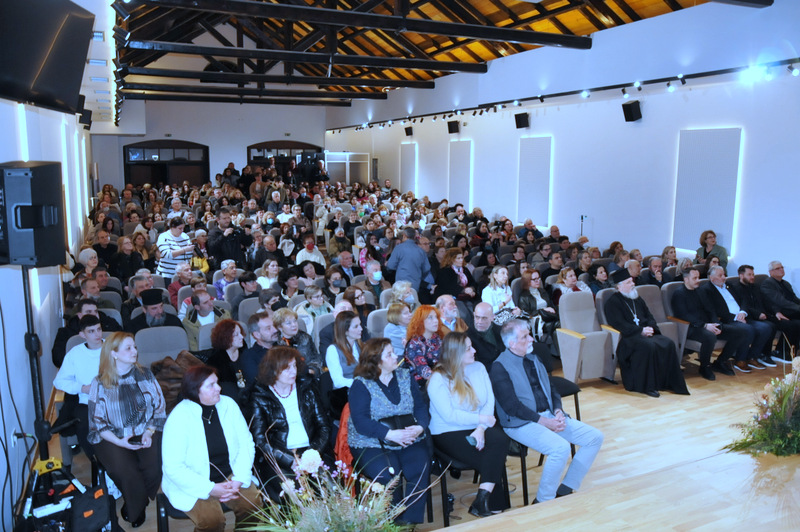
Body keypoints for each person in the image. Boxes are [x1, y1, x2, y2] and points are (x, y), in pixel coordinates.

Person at [490, 320, 603, 504]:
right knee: (560, 448)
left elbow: (552, 389)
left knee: (594, 437)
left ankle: (566, 488)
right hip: (520, 423)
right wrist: (544, 422)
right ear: (512, 343)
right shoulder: (499, 367)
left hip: (548, 415)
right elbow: (512, 406)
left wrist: (558, 411)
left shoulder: (534, 359)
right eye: (525, 337)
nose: (531, 339)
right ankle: (543, 501)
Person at [161, 366, 261, 530]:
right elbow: (174, 468)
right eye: (211, 385)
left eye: (217, 383)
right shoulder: (178, 418)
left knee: (253, 504)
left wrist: (239, 479)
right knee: (212, 521)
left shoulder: (229, 405)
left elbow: (246, 444)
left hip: (230, 475)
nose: (219, 388)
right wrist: (210, 488)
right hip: (194, 482)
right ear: (195, 391)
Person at [348, 338, 431, 525]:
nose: (396, 356)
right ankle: (394, 521)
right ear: (376, 361)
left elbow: (420, 406)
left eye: (394, 352)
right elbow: (361, 422)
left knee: (419, 467)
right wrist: (389, 434)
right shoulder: (361, 384)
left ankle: (409, 522)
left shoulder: (405, 376)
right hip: (371, 441)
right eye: (389, 354)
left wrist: (420, 427)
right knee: (389, 474)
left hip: (407, 435)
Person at [87, 332, 165, 527]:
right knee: (128, 472)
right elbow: (97, 422)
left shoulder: (145, 374)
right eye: (128, 348)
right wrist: (119, 442)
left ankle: (137, 498)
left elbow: (159, 407)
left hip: (144, 429)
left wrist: (149, 432)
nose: (134, 351)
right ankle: (136, 507)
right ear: (113, 353)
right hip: (111, 436)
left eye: (135, 347)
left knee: (153, 468)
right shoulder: (100, 382)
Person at [428, 332, 509, 517]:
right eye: (468, 349)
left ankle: (482, 500)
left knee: (500, 440)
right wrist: (481, 420)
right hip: (447, 431)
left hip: (477, 425)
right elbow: (450, 416)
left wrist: (480, 429)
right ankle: (492, 506)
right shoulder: (438, 379)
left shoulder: (478, 367)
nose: (474, 351)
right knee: (492, 457)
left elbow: (489, 401)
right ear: (455, 353)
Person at [246, 347, 330, 497]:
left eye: (294, 366)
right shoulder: (260, 396)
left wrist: (312, 453)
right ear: (273, 370)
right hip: (280, 456)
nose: (293, 372)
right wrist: (290, 460)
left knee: (331, 490)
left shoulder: (307, 388)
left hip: (311, 450)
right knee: (295, 494)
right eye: (287, 368)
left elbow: (323, 426)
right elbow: (259, 440)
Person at [603, 269, 689, 396]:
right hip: (628, 338)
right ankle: (648, 386)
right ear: (619, 287)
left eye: (632, 281)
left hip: (645, 333)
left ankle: (667, 382)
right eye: (628, 282)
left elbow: (649, 316)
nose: (633, 284)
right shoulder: (612, 303)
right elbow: (619, 324)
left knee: (668, 343)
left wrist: (650, 328)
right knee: (648, 346)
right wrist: (640, 331)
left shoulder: (637, 298)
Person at [671, 267, 751, 378]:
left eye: (698, 277)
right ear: (686, 279)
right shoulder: (679, 294)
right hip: (691, 327)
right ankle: (705, 367)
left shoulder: (700, 291)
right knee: (709, 336)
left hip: (708, 324)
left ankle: (720, 362)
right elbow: (684, 315)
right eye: (695, 278)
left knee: (740, 332)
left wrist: (716, 323)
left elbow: (710, 309)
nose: (698, 280)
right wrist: (705, 325)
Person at [701, 265, 771, 371]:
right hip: (727, 320)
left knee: (765, 328)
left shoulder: (729, 285)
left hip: (742, 316)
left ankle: (752, 357)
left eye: (724, 274)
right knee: (748, 329)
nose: (724, 277)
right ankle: (740, 360)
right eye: (720, 275)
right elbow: (713, 310)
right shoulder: (707, 290)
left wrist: (743, 312)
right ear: (712, 278)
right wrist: (735, 318)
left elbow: (743, 299)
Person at [53, 315, 104, 459]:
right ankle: (96, 461)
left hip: (113, 399)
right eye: (91, 331)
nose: (97, 334)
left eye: (99, 329)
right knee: (83, 424)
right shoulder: (75, 354)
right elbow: (59, 381)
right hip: (87, 401)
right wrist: (82, 388)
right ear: (82, 334)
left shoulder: (112, 348)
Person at [728, 265, 778, 368]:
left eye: (753, 274)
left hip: (758, 315)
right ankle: (746, 357)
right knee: (765, 327)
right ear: (741, 275)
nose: (752, 277)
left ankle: (758, 355)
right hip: (745, 317)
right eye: (749, 274)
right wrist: (757, 314)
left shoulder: (755, 287)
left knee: (773, 324)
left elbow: (763, 302)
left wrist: (774, 312)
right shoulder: (736, 288)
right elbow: (742, 305)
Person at [52, 299, 122, 368]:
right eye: (89, 312)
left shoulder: (109, 324)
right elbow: (57, 359)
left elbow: (122, 341)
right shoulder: (65, 332)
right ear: (80, 315)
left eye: (96, 311)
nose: (94, 315)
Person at [760, 260, 800, 363]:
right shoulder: (767, 283)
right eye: (778, 268)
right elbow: (780, 301)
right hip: (774, 314)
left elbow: (794, 299)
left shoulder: (785, 283)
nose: (781, 269)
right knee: (793, 324)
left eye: (782, 267)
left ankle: (793, 350)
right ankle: (780, 352)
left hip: (787, 311)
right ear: (771, 272)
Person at [206, 319, 250, 401]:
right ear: (225, 337)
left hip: (248, 394)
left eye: (240, 333)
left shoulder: (244, 351)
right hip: (229, 397)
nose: (241, 337)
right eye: (236, 335)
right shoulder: (216, 360)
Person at [273, 308, 322, 376]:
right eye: (288, 323)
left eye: (295, 321)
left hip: (306, 375)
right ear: (280, 327)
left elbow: (315, 359)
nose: (294, 325)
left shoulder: (305, 338)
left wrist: (311, 370)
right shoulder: (275, 342)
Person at [404, 305, 446, 383]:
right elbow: (424, 370)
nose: (436, 321)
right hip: (422, 383)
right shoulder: (414, 344)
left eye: (436, 317)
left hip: (441, 377)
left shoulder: (437, 338)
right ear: (421, 321)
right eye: (430, 317)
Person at [386, 227, 435, 292]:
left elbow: (390, 266)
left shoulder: (398, 248)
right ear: (415, 236)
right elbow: (426, 268)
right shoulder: (420, 251)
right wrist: (419, 276)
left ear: (404, 235)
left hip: (401, 284)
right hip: (415, 284)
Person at [325, 311, 363, 389]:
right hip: (346, 391)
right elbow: (338, 382)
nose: (361, 329)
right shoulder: (333, 350)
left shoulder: (361, 346)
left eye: (360, 324)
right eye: (356, 326)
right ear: (345, 331)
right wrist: (362, 384)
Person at [468, 302, 505, 370]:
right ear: (473, 315)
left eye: (484, 318)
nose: (480, 321)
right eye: (477, 317)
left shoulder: (500, 330)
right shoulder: (467, 338)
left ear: (492, 317)